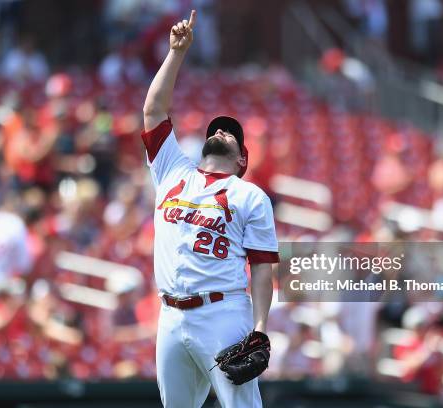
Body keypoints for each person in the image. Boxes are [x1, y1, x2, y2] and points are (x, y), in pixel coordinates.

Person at [141, 10, 279, 407]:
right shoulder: (172, 171)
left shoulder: (249, 195)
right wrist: (176, 53)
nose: (221, 132)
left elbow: (263, 266)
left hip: (221, 312)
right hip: (169, 313)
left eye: (232, 134)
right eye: (217, 129)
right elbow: (153, 111)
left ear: (241, 160)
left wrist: (260, 329)